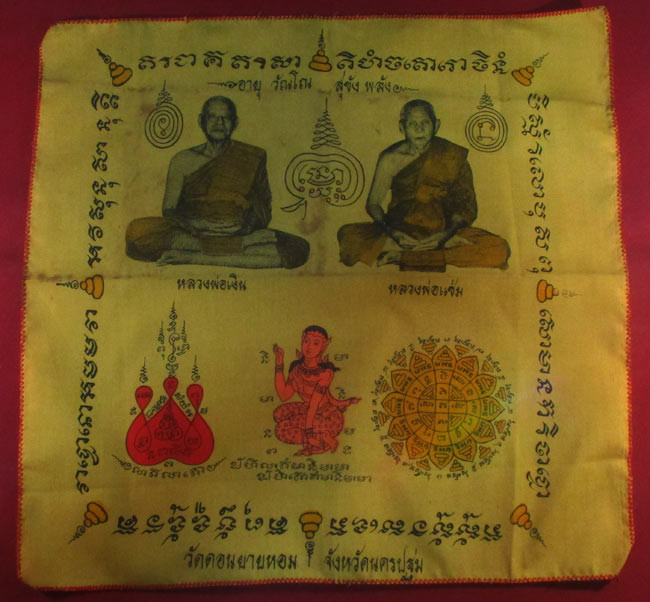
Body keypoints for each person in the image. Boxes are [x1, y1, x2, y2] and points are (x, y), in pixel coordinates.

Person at [126, 96, 309, 268]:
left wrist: (242, 229)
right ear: (201, 121)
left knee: (298, 248)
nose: (219, 123)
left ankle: (193, 257)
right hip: (193, 233)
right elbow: (169, 210)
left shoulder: (252, 156)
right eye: (212, 117)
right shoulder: (182, 159)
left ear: (235, 123)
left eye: (225, 118)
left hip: (236, 232)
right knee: (138, 234)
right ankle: (237, 247)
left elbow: (262, 207)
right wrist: (199, 225)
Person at [337, 99, 510, 272]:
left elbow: (466, 207)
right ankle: (430, 253)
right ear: (402, 127)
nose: (419, 129)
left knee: (499, 248)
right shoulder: (390, 158)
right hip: (401, 229)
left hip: (444, 230)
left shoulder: (453, 155)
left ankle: (401, 256)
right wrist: (393, 233)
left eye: (425, 123)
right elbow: (373, 203)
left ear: (436, 125)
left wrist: (445, 235)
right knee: (348, 237)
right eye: (412, 124)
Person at [272, 326, 360, 456]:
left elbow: (314, 404)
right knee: (278, 414)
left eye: (316, 343)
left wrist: (309, 432)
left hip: (328, 418)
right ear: (302, 340)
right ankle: (319, 437)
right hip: (308, 410)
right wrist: (279, 363)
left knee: (281, 430)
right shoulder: (296, 369)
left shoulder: (325, 373)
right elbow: (283, 395)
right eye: (306, 341)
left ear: (323, 345)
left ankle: (321, 439)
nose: (309, 347)